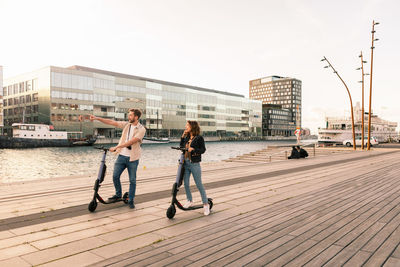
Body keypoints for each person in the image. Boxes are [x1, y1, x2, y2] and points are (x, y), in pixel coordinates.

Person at [90, 108, 146, 209]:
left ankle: (131, 200)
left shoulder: (141, 129)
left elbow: (132, 141)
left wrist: (117, 147)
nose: (129, 117)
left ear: (136, 117)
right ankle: (118, 194)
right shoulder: (126, 125)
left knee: (132, 180)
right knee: (115, 176)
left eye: (131, 115)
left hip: (132, 158)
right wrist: (96, 118)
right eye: (129, 115)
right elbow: (112, 122)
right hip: (121, 156)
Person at [180, 120, 210, 216]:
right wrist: (182, 137)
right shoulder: (187, 137)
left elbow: (203, 150)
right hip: (186, 163)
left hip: (194, 163)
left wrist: (193, 150)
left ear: (192, 127)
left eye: (187, 125)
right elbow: (181, 147)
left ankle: (205, 204)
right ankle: (189, 200)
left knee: (199, 184)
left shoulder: (199, 138)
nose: (186, 127)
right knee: (186, 184)